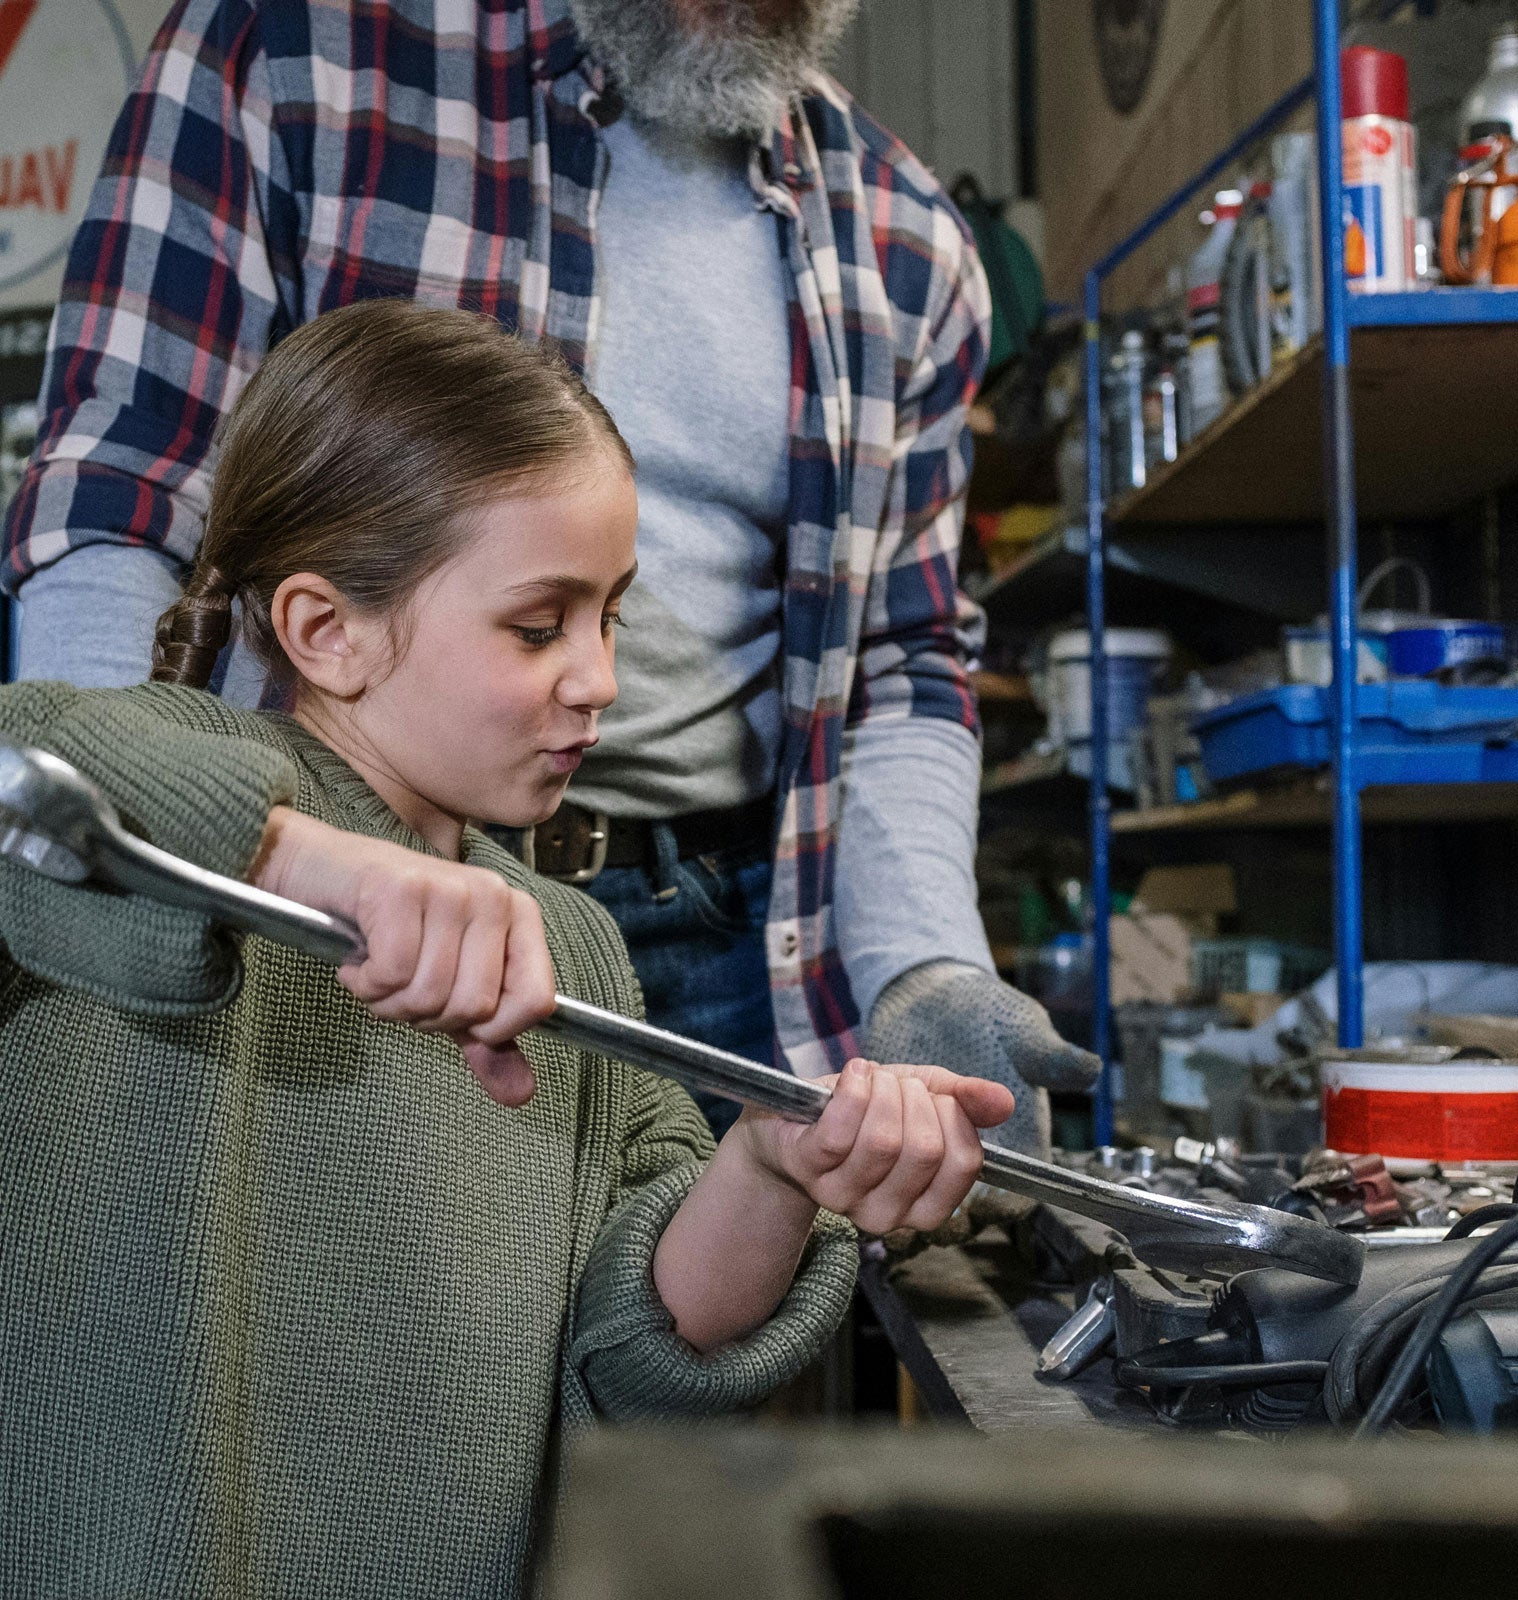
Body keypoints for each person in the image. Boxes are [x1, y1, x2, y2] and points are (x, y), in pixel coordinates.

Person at [0, 299, 1014, 1599]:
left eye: (610, 618)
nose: (597, 677)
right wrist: (307, 861)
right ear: (326, 631)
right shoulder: (118, 844)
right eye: (539, 626)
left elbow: (631, 1359)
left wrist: (775, 1164)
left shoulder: (571, 953)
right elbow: (40, 755)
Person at [1, 0, 1097, 1151]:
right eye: (543, 630)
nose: (599, 682)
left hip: (737, 936)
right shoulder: (294, 57)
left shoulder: (908, 245)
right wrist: (135, 847)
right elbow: (118, 495)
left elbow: (900, 657)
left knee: (694, 1302)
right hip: (348, 904)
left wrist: (923, 963)